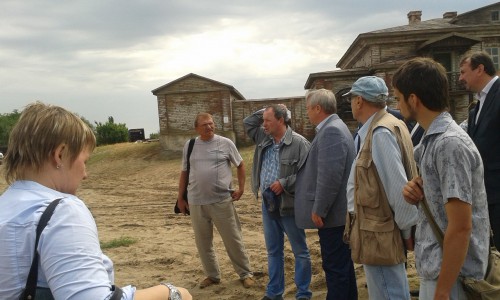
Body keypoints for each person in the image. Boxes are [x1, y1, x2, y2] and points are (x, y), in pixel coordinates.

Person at [0, 102, 192, 300]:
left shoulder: (6, 206)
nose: (85, 174)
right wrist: (170, 292)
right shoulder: (61, 211)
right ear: (60, 155)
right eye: (84, 161)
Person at [396, 57, 490, 300]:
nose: (397, 104)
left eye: (398, 97)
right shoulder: (434, 140)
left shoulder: (448, 144)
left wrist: (443, 291)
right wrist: (415, 190)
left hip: (453, 277)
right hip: (441, 268)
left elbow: (460, 227)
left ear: (413, 99)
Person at [344, 76, 418, 299]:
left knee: (388, 292)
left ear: (359, 101)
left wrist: (407, 232)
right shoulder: (389, 124)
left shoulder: (380, 133)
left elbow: (398, 189)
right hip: (377, 231)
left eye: (351, 99)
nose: (351, 104)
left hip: (382, 234)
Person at [176, 112, 254, 289]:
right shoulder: (190, 145)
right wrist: (180, 197)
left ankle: (245, 273)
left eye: (211, 123)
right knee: (203, 242)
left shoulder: (226, 143)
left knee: (233, 239)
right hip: (196, 202)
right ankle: (212, 275)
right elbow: (184, 172)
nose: (209, 127)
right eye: (204, 125)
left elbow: (240, 165)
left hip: (221, 201)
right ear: (197, 128)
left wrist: (241, 188)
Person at [243, 105, 312, 300]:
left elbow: (308, 174)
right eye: (263, 120)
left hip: (289, 204)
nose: (263, 124)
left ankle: (303, 295)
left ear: (281, 120)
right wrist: (267, 109)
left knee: (300, 251)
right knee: (273, 251)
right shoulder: (264, 138)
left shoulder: (299, 143)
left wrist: (285, 183)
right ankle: (274, 294)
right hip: (268, 203)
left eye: (267, 120)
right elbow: (248, 122)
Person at [295, 89, 358, 300]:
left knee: (335, 269)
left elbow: (330, 176)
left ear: (318, 108)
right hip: (338, 213)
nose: (307, 113)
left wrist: (319, 208)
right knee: (342, 266)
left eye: (308, 109)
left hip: (333, 216)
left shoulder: (331, 131)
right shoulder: (335, 127)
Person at [459, 51, 500, 250]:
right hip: (487, 193)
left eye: (463, 72)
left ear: (480, 69)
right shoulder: (478, 104)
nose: (460, 78)